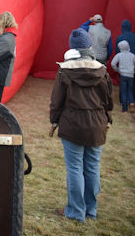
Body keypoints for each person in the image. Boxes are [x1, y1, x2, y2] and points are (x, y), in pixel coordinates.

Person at [49, 28, 113, 223]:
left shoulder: (65, 71)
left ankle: (77, 212)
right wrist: (107, 117)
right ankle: (90, 211)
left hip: (72, 125)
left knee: (76, 168)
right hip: (96, 125)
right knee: (92, 167)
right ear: (89, 46)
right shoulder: (102, 71)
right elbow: (108, 100)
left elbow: (56, 100)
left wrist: (54, 120)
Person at [111, 40, 135, 113]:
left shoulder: (119, 55)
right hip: (131, 75)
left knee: (123, 91)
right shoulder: (132, 55)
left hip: (123, 75)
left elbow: (113, 63)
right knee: (130, 90)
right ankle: (131, 103)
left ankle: (124, 108)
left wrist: (117, 70)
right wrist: (134, 71)